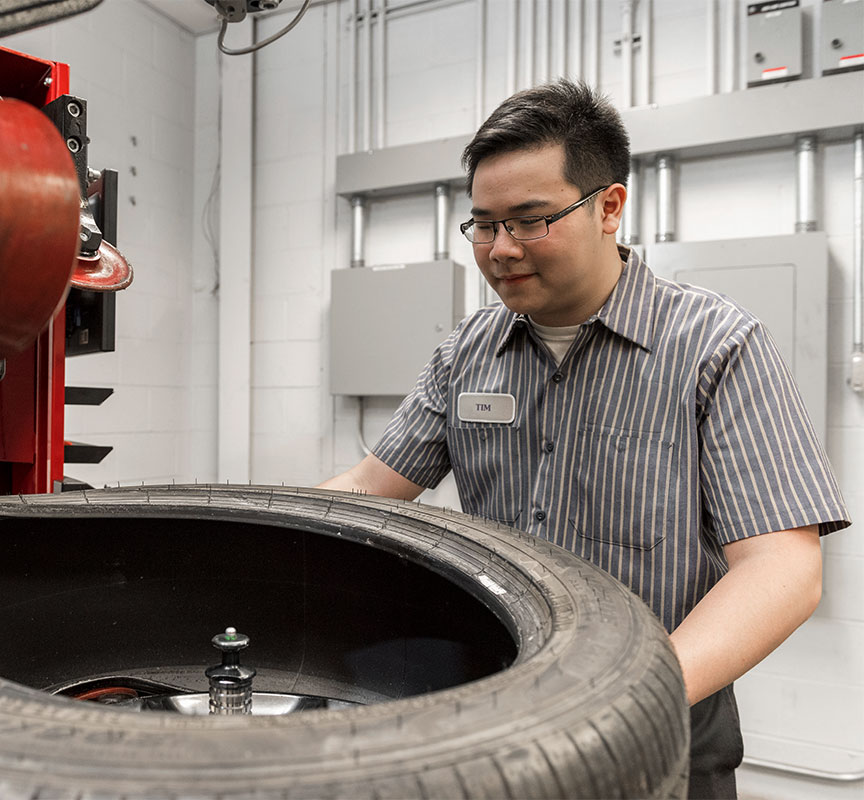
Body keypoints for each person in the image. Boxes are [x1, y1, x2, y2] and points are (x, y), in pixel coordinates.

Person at [319, 79, 850, 800]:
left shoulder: (715, 346)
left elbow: (782, 571)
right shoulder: (466, 352)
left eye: (531, 221)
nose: (500, 250)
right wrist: (251, 531)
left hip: (660, 724)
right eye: (483, 224)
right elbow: (367, 492)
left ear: (609, 207)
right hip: (499, 713)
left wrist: (630, 693)